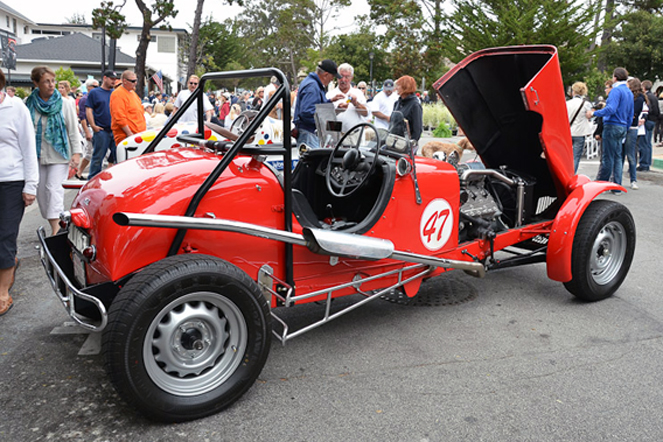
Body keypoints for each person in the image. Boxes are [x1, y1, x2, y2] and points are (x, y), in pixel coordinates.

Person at [25, 66, 82, 235]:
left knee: (53, 189)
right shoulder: (29, 103)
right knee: (41, 192)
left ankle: (56, 230)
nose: (51, 85)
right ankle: (54, 223)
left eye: (53, 81)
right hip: (36, 154)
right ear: (36, 83)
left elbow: (72, 130)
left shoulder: (64, 103)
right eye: (46, 82)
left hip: (59, 154)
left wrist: (76, 154)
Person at [0, 69, 38, 316]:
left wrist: (30, 185)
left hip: (11, 181)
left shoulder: (16, 108)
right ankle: (10, 261)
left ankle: (3, 292)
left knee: (5, 234)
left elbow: (28, 145)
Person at [586, 67, 633, 192]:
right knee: (618, 157)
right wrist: (626, 128)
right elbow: (630, 113)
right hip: (623, 125)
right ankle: (616, 186)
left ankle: (601, 184)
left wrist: (594, 113)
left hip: (612, 125)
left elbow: (611, 109)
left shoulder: (615, 91)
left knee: (607, 157)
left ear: (615, 77)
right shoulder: (629, 92)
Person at [293, 59, 344, 149]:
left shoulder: (312, 83)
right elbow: (307, 112)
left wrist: (330, 101)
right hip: (309, 133)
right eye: (332, 76)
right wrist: (325, 124)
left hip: (308, 132)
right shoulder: (312, 86)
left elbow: (315, 106)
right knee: (312, 161)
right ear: (325, 75)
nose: (332, 79)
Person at [87, 70, 118, 179]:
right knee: (97, 157)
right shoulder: (94, 92)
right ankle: (91, 180)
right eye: (111, 79)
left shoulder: (115, 93)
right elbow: (89, 109)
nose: (113, 81)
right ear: (105, 78)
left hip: (114, 130)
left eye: (115, 79)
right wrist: (93, 125)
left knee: (117, 155)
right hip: (101, 129)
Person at [326, 63, 371, 133]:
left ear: (351, 78)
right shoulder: (330, 95)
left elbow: (366, 113)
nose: (343, 80)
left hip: (354, 135)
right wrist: (337, 110)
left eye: (347, 77)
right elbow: (325, 117)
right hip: (336, 135)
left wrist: (356, 103)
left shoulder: (358, 93)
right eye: (341, 76)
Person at [110, 70, 147, 147]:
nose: (135, 83)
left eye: (136, 80)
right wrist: (129, 133)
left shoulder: (133, 93)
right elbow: (119, 117)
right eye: (132, 81)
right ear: (124, 81)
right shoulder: (117, 94)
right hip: (127, 137)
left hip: (138, 135)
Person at [621, 78, 645, 190]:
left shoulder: (639, 98)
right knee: (621, 155)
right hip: (628, 125)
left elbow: (634, 113)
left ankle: (633, 180)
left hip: (631, 127)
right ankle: (618, 179)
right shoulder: (632, 97)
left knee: (630, 155)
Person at [566, 81, 594, 173]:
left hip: (568, 132)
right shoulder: (586, 104)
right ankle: (572, 176)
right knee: (576, 157)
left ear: (573, 91)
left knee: (566, 157)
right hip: (580, 133)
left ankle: (564, 174)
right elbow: (589, 116)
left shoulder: (567, 103)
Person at [76, 78, 99, 179]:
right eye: (95, 86)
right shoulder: (84, 99)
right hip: (89, 127)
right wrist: (86, 132)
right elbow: (82, 117)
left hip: (96, 127)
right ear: (89, 87)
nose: (97, 89)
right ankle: (79, 171)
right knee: (89, 152)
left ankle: (81, 172)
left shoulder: (96, 98)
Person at [392, 75, 423, 144]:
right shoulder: (397, 103)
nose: (396, 88)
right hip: (393, 142)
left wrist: (410, 145)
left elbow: (417, 130)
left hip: (404, 145)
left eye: (398, 86)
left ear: (405, 87)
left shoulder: (415, 105)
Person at [638, 80, 659, 171]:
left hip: (647, 121)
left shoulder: (647, 97)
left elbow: (647, 109)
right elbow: (656, 110)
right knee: (648, 143)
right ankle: (647, 162)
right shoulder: (654, 97)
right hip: (653, 121)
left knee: (644, 143)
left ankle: (644, 163)